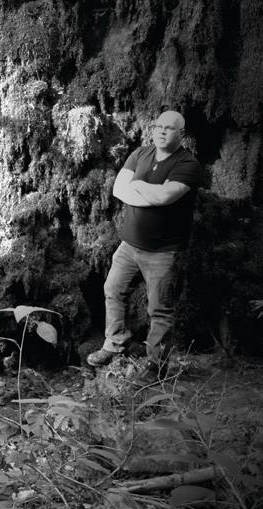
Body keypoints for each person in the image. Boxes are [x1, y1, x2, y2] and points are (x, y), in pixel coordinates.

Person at [86, 110, 202, 375]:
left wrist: (136, 185)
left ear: (181, 134)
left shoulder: (188, 164)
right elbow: (119, 189)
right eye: (158, 126)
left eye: (169, 128)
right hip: (129, 245)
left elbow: (165, 197)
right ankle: (115, 343)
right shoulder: (140, 153)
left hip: (163, 251)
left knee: (159, 309)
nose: (161, 131)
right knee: (113, 290)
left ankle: (156, 366)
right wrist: (149, 192)